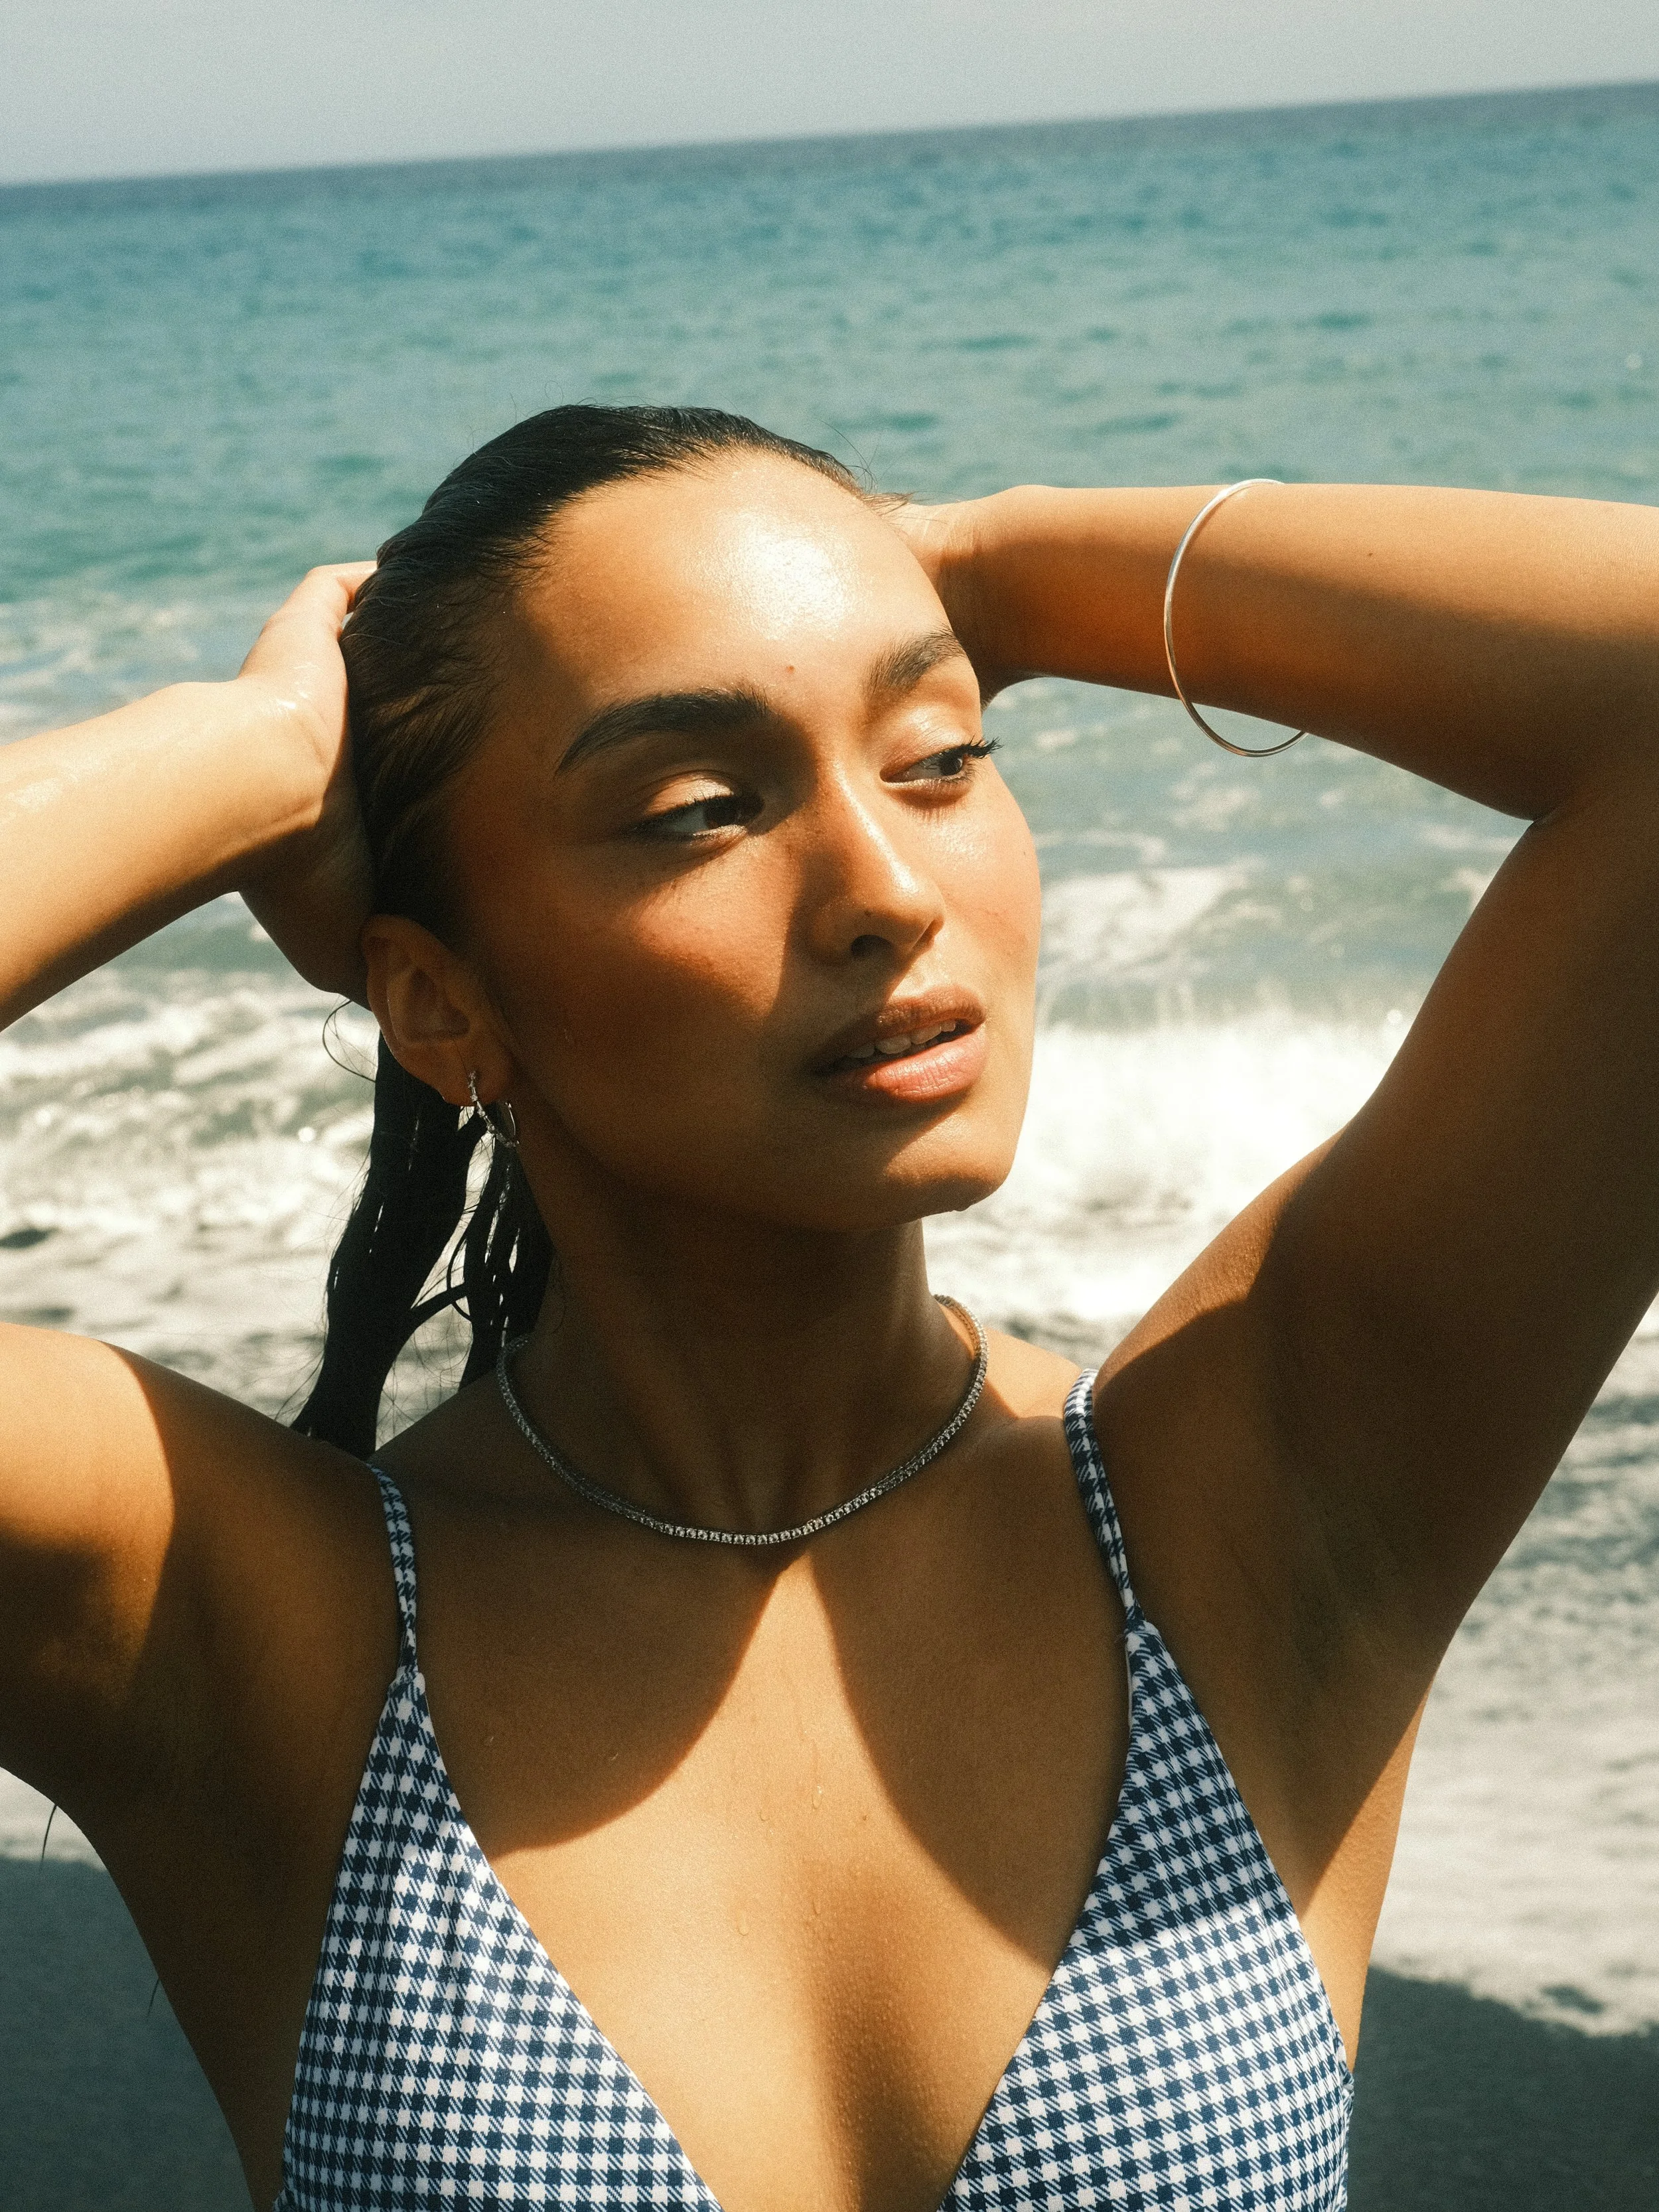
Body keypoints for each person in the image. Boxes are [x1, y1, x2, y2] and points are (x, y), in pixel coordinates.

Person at [2, 405, 1655, 2212]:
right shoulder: (243, 1619)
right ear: (436, 1004)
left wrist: (975, 565)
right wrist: (240, 758)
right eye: (703, 808)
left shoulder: (1251, 1498)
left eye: (940, 757)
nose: (887, 889)